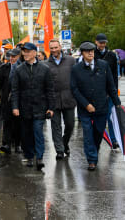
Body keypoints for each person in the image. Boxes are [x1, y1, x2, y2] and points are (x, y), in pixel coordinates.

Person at [71, 41, 121, 171]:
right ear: (82, 53)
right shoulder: (76, 69)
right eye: (87, 51)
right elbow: (74, 89)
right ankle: (92, 160)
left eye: (92, 51)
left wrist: (117, 104)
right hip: (85, 109)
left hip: (101, 107)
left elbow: (111, 86)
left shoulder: (103, 65)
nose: (90, 53)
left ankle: (94, 150)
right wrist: (86, 104)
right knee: (88, 135)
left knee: (98, 133)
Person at [11, 42, 55, 171]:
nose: (25, 53)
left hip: (40, 107)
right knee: (26, 133)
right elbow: (15, 90)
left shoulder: (45, 69)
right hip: (24, 108)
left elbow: (50, 90)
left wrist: (51, 108)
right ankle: (29, 156)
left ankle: (39, 157)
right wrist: (15, 107)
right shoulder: (19, 70)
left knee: (38, 132)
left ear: (35, 53)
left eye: (28, 51)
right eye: (24, 51)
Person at [46, 39, 76, 160]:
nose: (54, 50)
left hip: (69, 98)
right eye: (51, 48)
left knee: (70, 125)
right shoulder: (45, 64)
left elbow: (77, 78)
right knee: (56, 126)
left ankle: (64, 143)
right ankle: (59, 150)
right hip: (53, 100)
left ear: (60, 47)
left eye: (55, 47)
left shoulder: (71, 60)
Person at [94, 33, 120, 149]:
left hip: (109, 91)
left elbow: (115, 74)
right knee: (98, 117)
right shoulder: (92, 53)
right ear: (96, 42)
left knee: (110, 116)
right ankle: (97, 138)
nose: (102, 44)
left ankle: (113, 140)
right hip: (96, 91)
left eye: (104, 42)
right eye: (100, 42)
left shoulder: (112, 55)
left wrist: (114, 90)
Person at [0, 48, 22, 154]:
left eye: (14, 56)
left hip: (20, 100)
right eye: (10, 56)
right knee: (7, 122)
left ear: (19, 56)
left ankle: (18, 144)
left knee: (18, 123)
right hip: (6, 99)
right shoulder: (3, 68)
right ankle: (6, 144)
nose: (11, 58)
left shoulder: (23, 67)